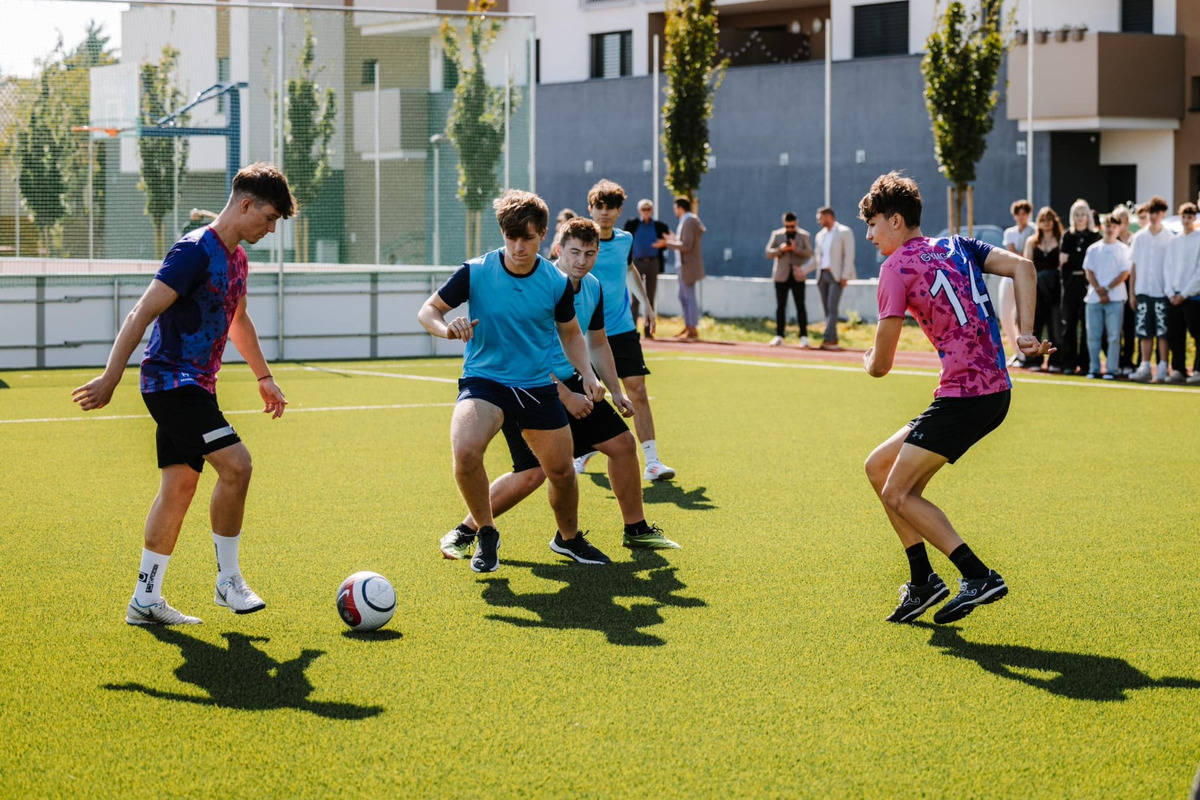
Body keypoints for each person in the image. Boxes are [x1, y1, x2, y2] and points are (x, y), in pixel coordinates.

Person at [71, 162, 295, 625]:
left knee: (179, 488)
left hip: (198, 387)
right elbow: (140, 313)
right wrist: (111, 377)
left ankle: (145, 599)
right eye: (270, 218)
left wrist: (264, 376)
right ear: (247, 203)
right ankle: (227, 581)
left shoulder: (238, 258)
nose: (271, 228)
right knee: (238, 465)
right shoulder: (193, 251)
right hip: (171, 384)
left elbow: (238, 321)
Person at [858, 171, 1052, 625]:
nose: (869, 235)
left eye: (873, 224)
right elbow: (1024, 267)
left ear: (896, 221)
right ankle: (923, 582)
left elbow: (881, 365)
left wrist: (867, 358)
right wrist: (1024, 334)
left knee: (898, 490)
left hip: (968, 394)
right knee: (878, 468)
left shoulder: (894, 267)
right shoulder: (958, 244)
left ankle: (977, 574)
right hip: (990, 390)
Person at [438, 218, 679, 562]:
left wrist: (612, 388)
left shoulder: (593, 287)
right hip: (534, 385)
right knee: (532, 474)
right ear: (557, 250)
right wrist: (565, 395)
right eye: (575, 252)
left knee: (623, 445)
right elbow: (525, 349)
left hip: (574, 383)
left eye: (590, 253)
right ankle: (467, 531)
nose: (582, 260)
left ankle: (635, 530)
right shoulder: (544, 283)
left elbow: (596, 342)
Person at [417, 190, 609, 573]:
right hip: (485, 380)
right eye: (511, 238)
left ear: (542, 236)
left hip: (537, 385)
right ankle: (486, 532)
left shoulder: (554, 281)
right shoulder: (476, 271)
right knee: (467, 451)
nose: (518, 247)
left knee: (561, 472)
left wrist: (588, 375)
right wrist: (446, 329)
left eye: (528, 238)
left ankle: (568, 540)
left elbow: (570, 334)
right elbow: (429, 310)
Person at [578, 180, 676, 482]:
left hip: (621, 329)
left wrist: (646, 304)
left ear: (620, 211)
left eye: (611, 208)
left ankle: (652, 462)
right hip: (587, 333)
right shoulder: (581, 241)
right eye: (599, 207)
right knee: (590, 394)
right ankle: (583, 452)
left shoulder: (624, 240)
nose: (604, 213)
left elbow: (629, 269)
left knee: (638, 391)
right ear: (591, 208)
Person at [1128, 196, 1176, 383]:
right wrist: (1132, 293)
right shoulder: (1139, 237)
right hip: (1143, 291)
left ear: (1163, 214)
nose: (1155, 216)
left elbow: (1172, 266)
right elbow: (1134, 266)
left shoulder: (1170, 238)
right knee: (1144, 330)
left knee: (1163, 331)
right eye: (1152, 213)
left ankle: (1163, 366)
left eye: (1158, 212)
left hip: (1162, 291)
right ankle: (1145, 366)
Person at [1082, 211, 1132, 379]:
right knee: (1093, 336)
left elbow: (1125, 273)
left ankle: (1112, 369)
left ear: (1119, 228)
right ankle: (1094, 368)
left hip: (1116, 298)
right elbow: (1089, 271)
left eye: (1114, 226)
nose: (1111, 229)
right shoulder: (1093, 249)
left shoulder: (1123, 249)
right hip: (1094, 298)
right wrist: (1099, 290)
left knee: (1114, 336)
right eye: (1108, 225)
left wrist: (1108, 289)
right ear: (1104, 227)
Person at [1058, 199, 1102, 375]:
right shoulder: (1068, 236)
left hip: (1088, 285)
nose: (1080, 218)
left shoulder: (1095, 237)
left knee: (1087, 325)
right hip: (1070, 285)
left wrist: (1077, 262)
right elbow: (1064, 262)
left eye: (1083, 214)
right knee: (1069, 324)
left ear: (1089, 216)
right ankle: (1068, 362)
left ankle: (1085, 363)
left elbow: (1092, 264)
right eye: (1076, 215)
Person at [1022, 206, 1064, 371]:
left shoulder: (1061, 239)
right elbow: (1027, 265)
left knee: (1055, 325)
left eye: (1049, 220)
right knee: (1036, 325)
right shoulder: (1032, 242)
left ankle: (1056, 361)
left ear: (1054, 221)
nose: (1046, 223)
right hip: (1037, 289)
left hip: (1055, 289)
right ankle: (1033, 360)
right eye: (1042, 220)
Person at [764, 211, 814, 346]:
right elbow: (768, 252)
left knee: (800, 306)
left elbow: (809, 253)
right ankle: (779, 335)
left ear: (796, 224)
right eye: (787, 227)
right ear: (784, 224)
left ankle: (803, 336)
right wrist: (781, 249)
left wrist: (795, 248)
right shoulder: (777, 234)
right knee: (780, 306)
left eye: (792, 226)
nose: (790, 229)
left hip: (798, 275)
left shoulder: (804, 235)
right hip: (781, 275)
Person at [624, 199, 671, 338]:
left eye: (648, 209)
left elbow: (671, 239)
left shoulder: (659, 226)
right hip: (636, 263)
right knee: (635, 298)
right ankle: (632, 330)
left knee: (650, 297)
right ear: (639, 211)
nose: (646, 212)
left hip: (653, 263)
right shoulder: (632, 224)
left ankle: (648, 330)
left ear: (652, 211)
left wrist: (662, 243)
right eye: (644, 209)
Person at [1164, 201, 1200, 384]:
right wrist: (1171, 293)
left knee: (1197, 335)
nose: (1186, 220)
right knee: (1175, 336)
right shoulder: (1174, 241)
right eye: (1183, 217)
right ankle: (1177, 369)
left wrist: (1185, 293)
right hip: (1174, 296)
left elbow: (1198, 273)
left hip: (1193, 296)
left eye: (1190, 217)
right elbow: (1168, 268)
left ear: (1194, 218)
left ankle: (1197, 371)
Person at [812, 206, 857, 350]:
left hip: (836, 276)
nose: (818, 221)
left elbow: (849, 256)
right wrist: (801, 270)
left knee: (832, 307)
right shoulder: (820, 235)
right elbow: (816, 258)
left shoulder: (844, 232)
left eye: (820, 218)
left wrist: (845, 275)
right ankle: (834, 340)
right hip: (822, 275)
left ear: (828, 216)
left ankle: (828, 339)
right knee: (827, 309)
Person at [664, 196, 707, 341]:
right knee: (683, 297)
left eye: (675, 208)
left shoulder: (688, 222)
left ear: (680, 207)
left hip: (687, 266)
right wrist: (672, 239)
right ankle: (688, 326)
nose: (674, 211)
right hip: (683, 265)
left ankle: (692, 329)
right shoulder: (687, 221)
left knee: (689, 298)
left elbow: (686, 246)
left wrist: (668, 243)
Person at [1001, 200, 1036, 365]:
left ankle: (1025, 354)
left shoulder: (1034, 230)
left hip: (1025, 278)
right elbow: (1013, 255)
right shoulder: (1010, 232)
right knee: (1005, 316)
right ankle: (1017, 352)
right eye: (1018, 214)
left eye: (1024, 213)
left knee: (1021, 316)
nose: (1021, 217)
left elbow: (1026, 258)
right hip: (1009, 277)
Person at [1111, 205, 1139, 376]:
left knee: (1129, 328)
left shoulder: (1134, 239)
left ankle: (1128, 360)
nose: (1120, 223)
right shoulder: (1110, 240)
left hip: (1130, 288)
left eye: (1122, 219)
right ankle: (1116, 361)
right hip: (1114, 290)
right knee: (1114, 329)